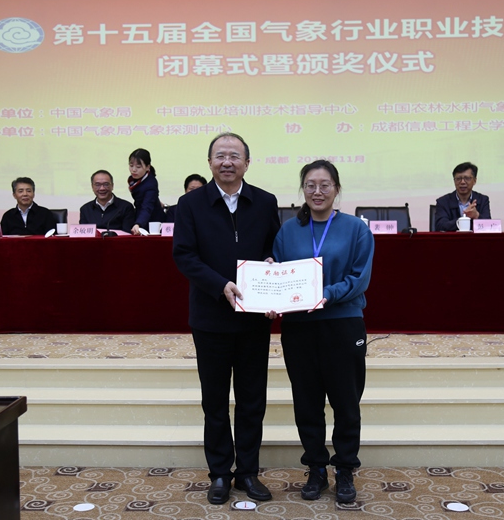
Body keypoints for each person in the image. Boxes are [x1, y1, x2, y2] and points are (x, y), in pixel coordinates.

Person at [172, 133, 280, 505]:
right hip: (210, 318)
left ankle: (247, 472)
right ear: (210, 162)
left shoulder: (265, 202)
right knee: (215, 401)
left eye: (235, 156)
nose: (227, 162)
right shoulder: (190, 204)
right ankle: (219, 472)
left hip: (253, 318)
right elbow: (184, 255)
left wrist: (271, 267)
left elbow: (273, 248)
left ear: (247, 163)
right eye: (220, 156)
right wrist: (220, 286)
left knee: (252, 400)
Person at [269, 160, 374, 504]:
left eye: (325, 185)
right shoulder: (288, 231)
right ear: (303, 189)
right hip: (299, 327)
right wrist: (269, 285)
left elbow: (359, 278)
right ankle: (316, 468)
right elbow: (278, 273)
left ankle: (344, 469)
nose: (317, 191)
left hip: (342, 322)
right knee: (307, 404)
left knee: (346, 403)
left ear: (336, 189)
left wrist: (326, 294)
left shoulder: (356, 229)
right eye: (310, 185)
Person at [434, 162, 491, 231]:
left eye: (467, 178)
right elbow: (440, 226)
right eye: (458, 178)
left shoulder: (483, 200)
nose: (462, 182)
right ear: (454, 181)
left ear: (474, 181)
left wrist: (476, 215)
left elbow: (489, 227)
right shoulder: (443, 202)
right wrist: (464, 218)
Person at [127, 148, 164, 234]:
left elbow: (147, 207)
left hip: (152, 220)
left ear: (147, 167)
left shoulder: (151, 184)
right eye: (131, 165)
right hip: (140, 213)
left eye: (138, 167)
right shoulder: (133, 179)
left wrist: (138, 224)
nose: (133, 170)